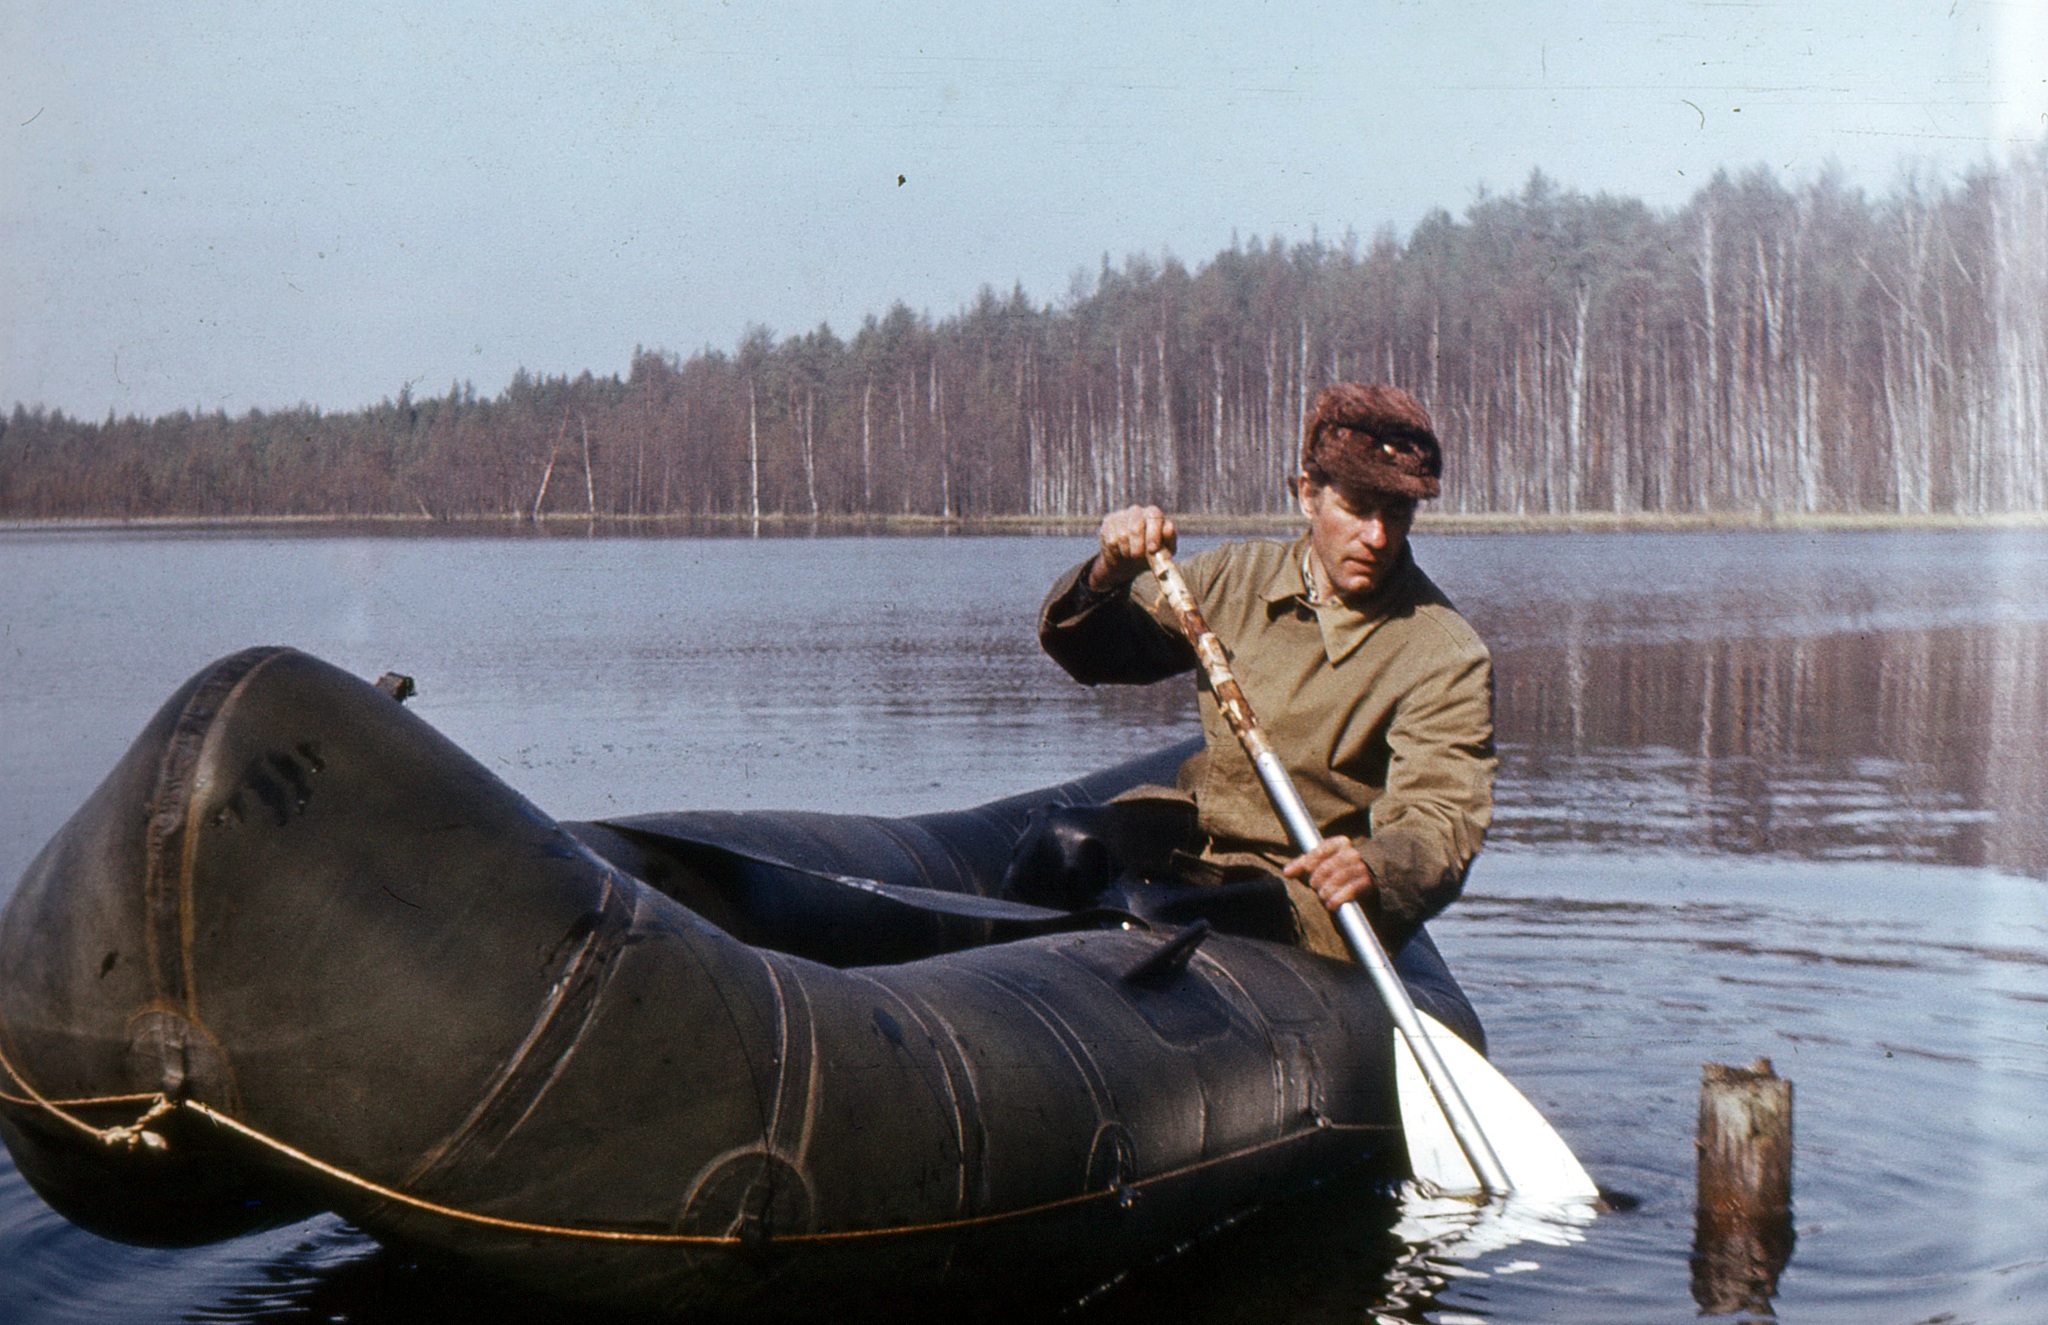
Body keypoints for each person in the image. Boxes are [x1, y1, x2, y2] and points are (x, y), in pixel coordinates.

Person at [1037, 384, 1494, 960]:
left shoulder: (1445, 653)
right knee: (1055, 846)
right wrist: (1107, 572)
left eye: (1397, 513)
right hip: (1205, 847)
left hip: (1305, 892)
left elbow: (1441, 820)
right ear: (1308, 494)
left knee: (1147, 914)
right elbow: (1097, 656)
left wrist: (1374, 864)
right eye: (1358, 508)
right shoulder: (1236, 577)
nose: (1377, 537)